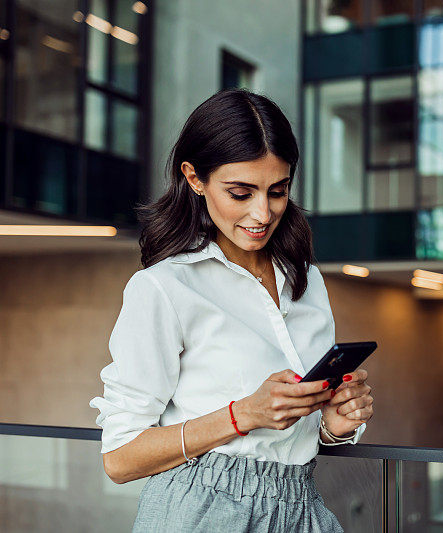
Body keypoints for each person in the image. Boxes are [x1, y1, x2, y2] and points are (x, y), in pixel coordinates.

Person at [88, 87, 374, 532]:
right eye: (240, 192)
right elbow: (120, 458)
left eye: (277, 191)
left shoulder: (308, 282)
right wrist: (243, 415)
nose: (262, 212)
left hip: (301, 505)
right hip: (202, 512)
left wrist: (333, 426)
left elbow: (293, 436)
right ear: (194, 178)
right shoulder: (164, 288)